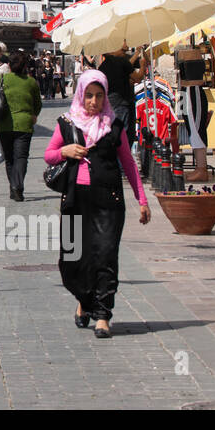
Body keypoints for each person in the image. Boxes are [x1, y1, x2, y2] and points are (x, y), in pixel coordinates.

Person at [44, 71, 150, 338]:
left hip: (108, 202)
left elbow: (128, 163)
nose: (93, 101)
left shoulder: (114, 126)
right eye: (89, 95)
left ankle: (102, 315)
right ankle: (85, 300)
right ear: (80, 95)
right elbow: (49, 154)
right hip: (75, 200)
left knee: (105, 257)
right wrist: (65, 151)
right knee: (72, 260)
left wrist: (142, 200)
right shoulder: (67, 124)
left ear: (105, 97)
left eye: (99, 96)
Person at [0, 50, 42, 202]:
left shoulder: (2, 79)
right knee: (21, 157)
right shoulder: (31, 82)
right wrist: (34, 115)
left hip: (4, 126)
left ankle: (14, 187)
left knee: (9, 158)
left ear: (9, 65)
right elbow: (38, 104)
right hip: (24, 125)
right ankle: (17, 187)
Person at [98, 40, 147, 127]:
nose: (126, 48)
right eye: (122, 49)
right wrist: (143, 66)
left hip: (109, 103)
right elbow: (138, 78)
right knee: (123, 133)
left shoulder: (102, 66)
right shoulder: (121, 61)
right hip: (122, 104)